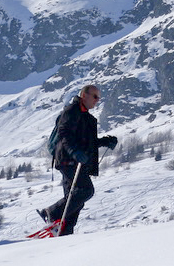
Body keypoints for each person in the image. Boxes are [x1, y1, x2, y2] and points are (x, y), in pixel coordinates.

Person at [39, 85, 117, 235]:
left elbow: (87, 142)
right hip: (68, 160)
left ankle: (65, 232)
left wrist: (105, 142)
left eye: (98, 97)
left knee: (74, 201)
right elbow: (64, 134)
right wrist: (74, 152)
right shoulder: (71, 111)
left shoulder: (86, 116)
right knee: (85, 191)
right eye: (95, 96)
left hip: (77, 162)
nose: (97, 100)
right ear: (84, 95)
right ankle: (51, 213)